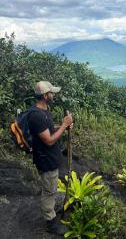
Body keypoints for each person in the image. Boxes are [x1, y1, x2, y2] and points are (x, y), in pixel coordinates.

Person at [28, 81, 73, 236]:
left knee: (51, 189)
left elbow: (47, 131)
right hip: (45, 160)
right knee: (49, 192)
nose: (54, 95)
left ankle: (51, 213)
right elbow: (48, 140)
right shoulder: (36, 115)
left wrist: (63, 126)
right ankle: (50, 223)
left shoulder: (44, 111)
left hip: (50, 158)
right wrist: (63, 125)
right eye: (52, 93)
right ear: (45, 95)